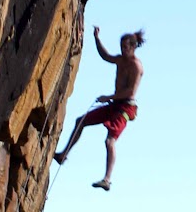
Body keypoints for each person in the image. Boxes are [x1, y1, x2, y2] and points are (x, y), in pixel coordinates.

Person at [53, 27, 144, 190]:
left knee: (110, 141)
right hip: (114, 104)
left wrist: (107, 97)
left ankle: (107, 179)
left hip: (125, 108)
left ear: (133, 47)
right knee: (81, 121)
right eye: (121, 46)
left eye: (125, 47)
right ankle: (63, 154)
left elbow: (130, 91)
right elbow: (106, 56)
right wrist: (96, 38)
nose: (122, 50)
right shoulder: (120, 59)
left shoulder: (136, 66)